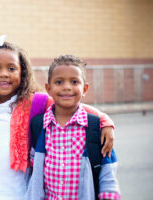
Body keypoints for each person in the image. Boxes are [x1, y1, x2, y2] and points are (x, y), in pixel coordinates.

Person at [0, 35, 115, 200]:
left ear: (22, 72)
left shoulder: (35, 101)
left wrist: (105, 121)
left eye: (11, 69)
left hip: (17, 194)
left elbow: (73, 106)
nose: (4, 74)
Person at [27, 55, 121, 200]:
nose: (67, 87)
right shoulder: (39, 126)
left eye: (74, 81)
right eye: (59, 82)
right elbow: (35, 169)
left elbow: (108, 174)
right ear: (48, 88)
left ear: (85, 89)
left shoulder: (95, 127)